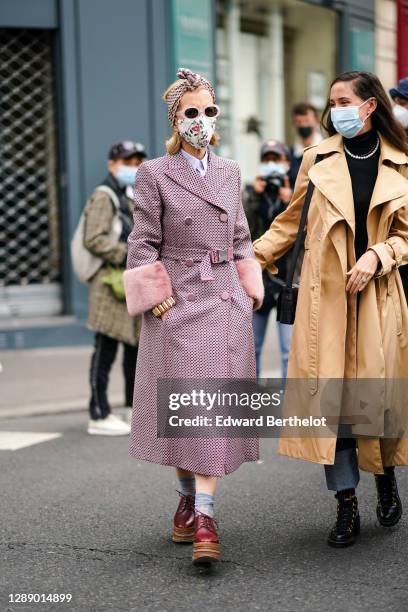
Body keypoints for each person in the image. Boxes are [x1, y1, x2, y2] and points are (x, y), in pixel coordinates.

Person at [253, 71, 408, 548]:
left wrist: (376, 256)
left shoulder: (401, 163)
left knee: (374, 402)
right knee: (331, 406)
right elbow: (288, 224)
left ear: (370, 106)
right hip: (327, 301)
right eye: (331, 100)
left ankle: (383, 477)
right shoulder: (316, 159)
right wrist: (244, 260)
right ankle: (345, 503)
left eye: (344, 99)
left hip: (377, 297)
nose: (335, 107)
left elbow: (406, 235)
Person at [124, 68, 264, 566]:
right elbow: (141, 241)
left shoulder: (229, 172)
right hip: (178, 301)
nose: (201, 120)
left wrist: (250, 286)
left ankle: (204, 515)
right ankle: (188, 498)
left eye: (209, 111)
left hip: (224, 297)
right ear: (175, 120)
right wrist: (155, 293)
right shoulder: (153, 173)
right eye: (191, 113)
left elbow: (242, 235)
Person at [84, 140, 146, 436]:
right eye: (127, 162)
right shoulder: (104, 195)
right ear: (112, 164)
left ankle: (132, 410)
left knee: (134, 349)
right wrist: (126, 252)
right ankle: (98, 412)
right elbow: (93, 238)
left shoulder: (131, 194)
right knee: (105, 348)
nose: (133, 168)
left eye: (137, 162)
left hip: (127, 283)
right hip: (108, 284)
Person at [242, 140, 295, 378]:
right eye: (267, 160)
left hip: (288, 282)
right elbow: (242, 232)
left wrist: (291, 202)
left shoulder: (297, 193)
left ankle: (288, 406)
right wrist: (254, 197)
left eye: (277, 159)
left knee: (289, 351)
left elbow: (303, 235)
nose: (272, 165)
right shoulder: (251, 193)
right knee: (251, 348)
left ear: (287, 163)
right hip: (258, 281)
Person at [288, 102, 322, 188]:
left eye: (307, 121)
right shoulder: (289, 154)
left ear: (317, 122)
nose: (303, 125)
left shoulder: (327, 151)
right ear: (294, 124)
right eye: (299, 122)